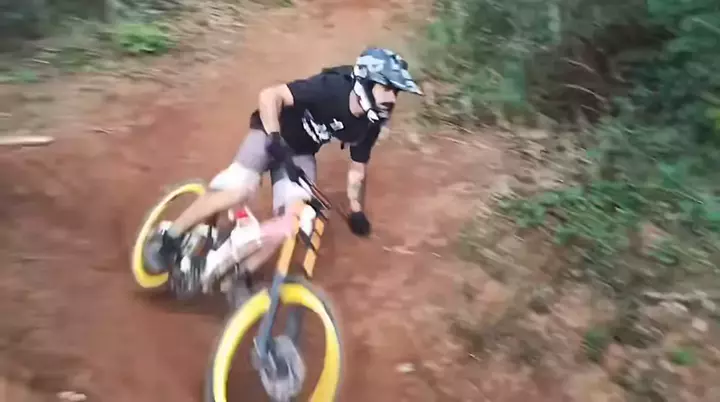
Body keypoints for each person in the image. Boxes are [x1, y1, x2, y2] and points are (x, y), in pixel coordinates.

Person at [142, 46, 423, 280]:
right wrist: (275, 139)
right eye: (387, 88)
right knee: (239, 189)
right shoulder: (331, 89)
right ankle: (169, 236)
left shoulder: (369, 125)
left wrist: (356, 211)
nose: (392, 99)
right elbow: (270, 95)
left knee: (294, 220)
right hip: (270, 133)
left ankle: (238, 274)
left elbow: (358, 168)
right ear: (367, 83)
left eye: (396, 92)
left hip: (300, 153)